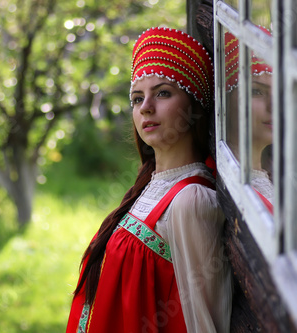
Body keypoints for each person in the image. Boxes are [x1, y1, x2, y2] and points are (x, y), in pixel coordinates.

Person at [66, 27, 232, 333]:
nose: (146, 107)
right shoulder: (148, 186)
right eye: (137, 98)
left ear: (194, 106)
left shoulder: (190, 200)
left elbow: (203, 322)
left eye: (164, 93)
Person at [224, 28, 297, 288]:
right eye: (256, 91)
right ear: (227, 98)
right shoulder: (223, 189)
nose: (273, 106)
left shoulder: (271, 179)